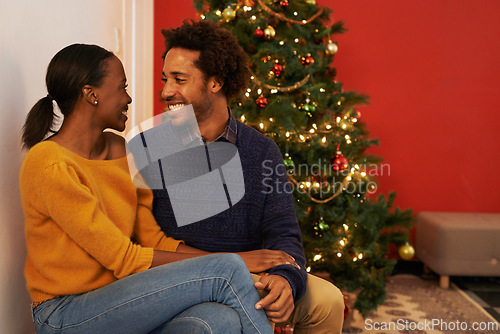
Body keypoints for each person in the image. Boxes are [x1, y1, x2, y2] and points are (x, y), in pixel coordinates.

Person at [19, 43, 276, 334]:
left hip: (124, 302)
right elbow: (125, 258)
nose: (128, 98)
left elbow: (152, 240)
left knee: (217, 319)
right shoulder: (49, 163)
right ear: (92, 95)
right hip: (66, 313)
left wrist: (230, 262)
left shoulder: (121, 152)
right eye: (121, 87)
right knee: (227, 271)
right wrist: (236, 260)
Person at [152, 20, 345, 333]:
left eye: (179, 79)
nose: (165, 91)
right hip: (181, 278)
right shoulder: (154, 150)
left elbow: (284, 232)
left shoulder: (262, 151)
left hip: (250, 276)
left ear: (215, 82)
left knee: (329, 302)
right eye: (165, 79)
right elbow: (143, 244)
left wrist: (285, 278)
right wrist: (235, 261)